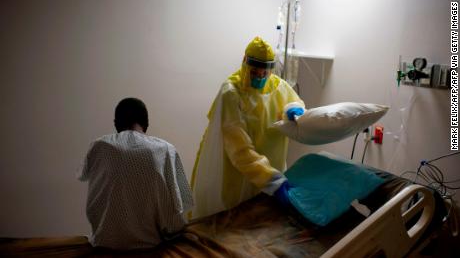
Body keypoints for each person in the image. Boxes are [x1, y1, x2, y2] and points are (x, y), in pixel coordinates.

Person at [191, 37, 305, 219]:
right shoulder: (231, 93)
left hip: (272, 171)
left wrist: (293, 110)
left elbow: (294, 102)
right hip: (238, 174)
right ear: (245, 64)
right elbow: (239, 149)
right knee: (235, 219)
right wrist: (271, 180)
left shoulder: (278, 86)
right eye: (254, 73)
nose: (260, 78)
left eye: (264, 74)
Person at [79, 97, 193, 250]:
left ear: (116, 124)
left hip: (103, 243)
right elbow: (178, 208)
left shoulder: (98, 146)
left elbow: (82, 175)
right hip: (150, 245)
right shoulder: (166, 149)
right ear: (146, 124)